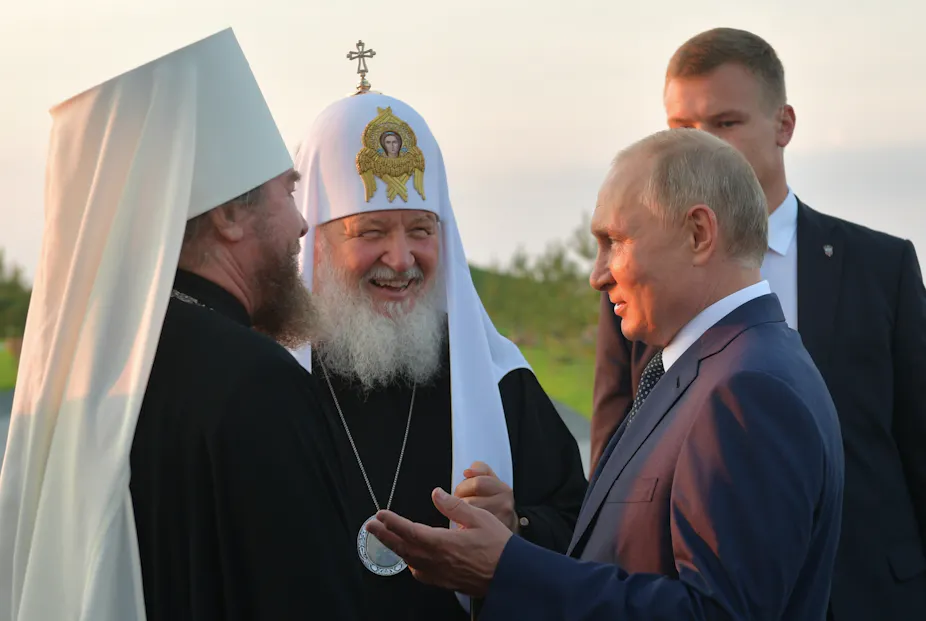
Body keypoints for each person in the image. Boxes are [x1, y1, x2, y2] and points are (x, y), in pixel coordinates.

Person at [365, 127, 846, 621]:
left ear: (699, 234)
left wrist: (507, 569)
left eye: (614, 242)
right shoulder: (710, 368)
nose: (597, 276)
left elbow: (716, 613)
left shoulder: (746, 389)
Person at [0, 29, 365, 621]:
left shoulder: (84, 371)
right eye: (287, 192)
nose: (302, 225)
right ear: (229, 214)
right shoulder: (258, 382)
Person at [590, 27, 926, 620]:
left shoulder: (881, 266)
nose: (702, 143)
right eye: (682, 127)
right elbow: (615, 459)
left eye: (725, 122)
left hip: (871, 594)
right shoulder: (639, 291)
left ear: (783, 125)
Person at [290, 74, 588, 619]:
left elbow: (584, 530)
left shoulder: (499, 381)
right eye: (371, 231)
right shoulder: (271, 382)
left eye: (421, 230)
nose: (402, 259)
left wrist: (516, 528)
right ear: (316, 245)